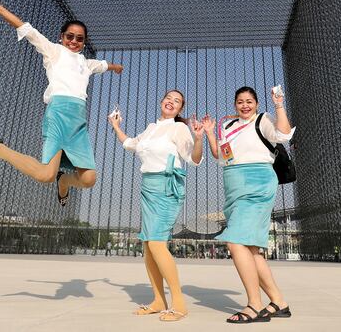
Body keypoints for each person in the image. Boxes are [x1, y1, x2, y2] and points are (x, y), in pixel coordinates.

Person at [0, 0, 123, 205]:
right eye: (70, 36)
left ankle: (64, 180)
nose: (74, 41)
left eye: (79, 38)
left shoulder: (87, 63)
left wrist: (116, 68)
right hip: (58, 114)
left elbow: (103, 65)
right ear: (61, 37)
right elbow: (28, 30)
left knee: (89, 179)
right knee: (46, 175)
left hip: (78, 122)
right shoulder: (54, 52)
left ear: (84, 43)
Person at [108, 90, 203, 322]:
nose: (172, 102)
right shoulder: (151, 128)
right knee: (148, 246)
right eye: (169, 98)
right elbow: (131, 144)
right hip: (147, 188)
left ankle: (179, 303)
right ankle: (158, 300)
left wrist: (199, 138)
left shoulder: (179, 128)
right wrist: (115, 125)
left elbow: (194, 159)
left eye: (177, 101)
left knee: (158, 243)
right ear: (161, 102)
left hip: (167, 187)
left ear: (180, 110)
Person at [201, 86, 295, 323]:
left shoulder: (263, 120)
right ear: (235, 104)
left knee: (235, 242)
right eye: (240, 101)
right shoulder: (228, 126)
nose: (245, 105)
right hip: (234, 186)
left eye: (249, 101)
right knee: (251, 249)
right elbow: (222, 156)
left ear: (256, 103)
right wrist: (211, 133)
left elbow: (283, 134)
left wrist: (279, 105)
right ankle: (279, 302)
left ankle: (254, 304)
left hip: (258, 183)